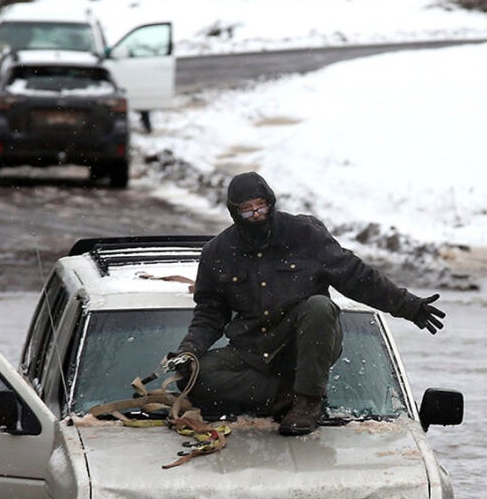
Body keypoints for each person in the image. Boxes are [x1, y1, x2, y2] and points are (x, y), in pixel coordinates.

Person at [169, 171, 446, 436]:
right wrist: (188, 351)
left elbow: (356, 276)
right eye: (247, 210)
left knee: (318, 306)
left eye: (261, 208)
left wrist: (409, 307)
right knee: (195, 376)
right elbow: (209, 313)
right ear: (234, 213)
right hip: (254, 349)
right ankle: (283, 395)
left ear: (271, 204)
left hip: (304, 342)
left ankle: (308, 402)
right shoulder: (217, 253)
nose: (256, 216)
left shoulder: (304, 234)